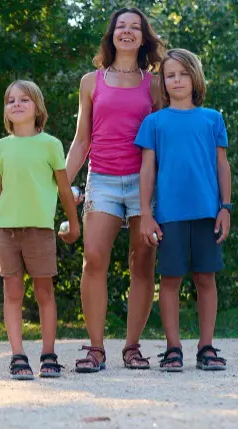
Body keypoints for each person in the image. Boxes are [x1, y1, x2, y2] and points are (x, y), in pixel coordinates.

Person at [64, 7, 165, 373]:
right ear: (111, 34)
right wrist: (60, 184)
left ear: (143, 37)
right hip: (102, 180)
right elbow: (82, 140)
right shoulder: (91, 82)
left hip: (143, 183)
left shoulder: (154, 85)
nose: (127, 31)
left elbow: (161, 140)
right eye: (121, 25)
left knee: (143, 263)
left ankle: (132, 348)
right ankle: (95, 349)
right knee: (93, 258)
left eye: (135, 27)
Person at [135, 48, 232, 372]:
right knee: (171, 280)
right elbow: (147, 170)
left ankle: (207, 347)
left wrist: (225, 207)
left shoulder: (212, 119)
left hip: (207, 213)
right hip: (169, 216)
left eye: (183, 74)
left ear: (195, 77)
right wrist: (145, 213)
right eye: (170, 75)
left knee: (206, 278)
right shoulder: (154, 123)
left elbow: (222, 165)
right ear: (163, 82)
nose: (177, 80)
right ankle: (173, 348)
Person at [0, 80, 81, 380]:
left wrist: (74, 223)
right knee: (12, 291)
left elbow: (64, 188)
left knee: (44, 291)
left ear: (38, 108)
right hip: (4, 231)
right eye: (11, 100)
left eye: (24, 99)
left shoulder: (50, 144)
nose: (17, 104)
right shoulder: (1, 147)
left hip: (40, 230)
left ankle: (48, 355)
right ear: (5, 110)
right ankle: (18, 356)